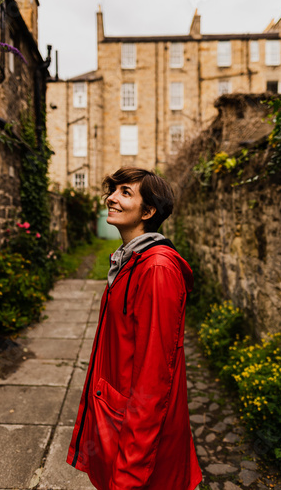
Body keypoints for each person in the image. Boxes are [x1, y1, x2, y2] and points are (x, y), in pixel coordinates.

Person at [66, 167, 202, 490]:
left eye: (125, 192)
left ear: (149, 210)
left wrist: (128, 473)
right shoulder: (131, 260)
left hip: (140, 444)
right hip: (118, 425)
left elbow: (154, 381)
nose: (111, 198)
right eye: (113, 190)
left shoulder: (157, 270)